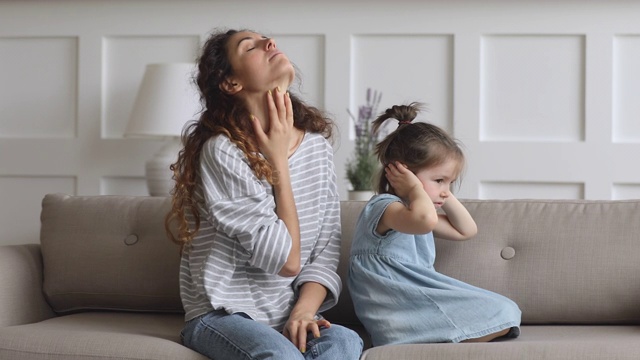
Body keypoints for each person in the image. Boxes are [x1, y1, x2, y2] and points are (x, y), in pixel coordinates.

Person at [165, 28, 363, 360]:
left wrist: (302, 312)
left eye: (266, 40)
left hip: (287, 317)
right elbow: (287, 262)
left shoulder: (316, 148)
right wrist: (278, 162)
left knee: (344, 343)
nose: (270, 44)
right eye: (250, 47)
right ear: (231, 83)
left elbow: (325, 252)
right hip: (221, 315)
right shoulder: (222, 151)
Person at [348, 103, 521, 346]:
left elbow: (466, 230)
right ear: (403, 173)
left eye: (450, 183)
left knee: (506, 309)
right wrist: (414, 188)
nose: (445, 191)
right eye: (439, 180)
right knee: (503, 312)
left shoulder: (417, 213)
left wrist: (442, 192)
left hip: (419, 300)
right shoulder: (386, 208)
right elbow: (425, 220)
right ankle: (430, 337)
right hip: (397, 309)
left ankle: (442, 337)